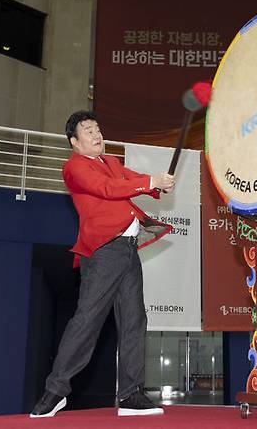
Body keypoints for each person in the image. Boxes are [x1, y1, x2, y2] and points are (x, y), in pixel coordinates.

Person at [30, 110, 174, 418]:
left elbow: (132, 181)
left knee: (135, 320)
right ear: (75, 141)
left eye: (97, 129)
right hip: (104, 253)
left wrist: (157, 185)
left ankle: (131, 395)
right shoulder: (74, 168)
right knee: (87, 321)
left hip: (128, 250)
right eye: (88, 131)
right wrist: (151, 181)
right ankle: (55, 392)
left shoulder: (111, 163)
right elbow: (108, 190)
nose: (97, 134)